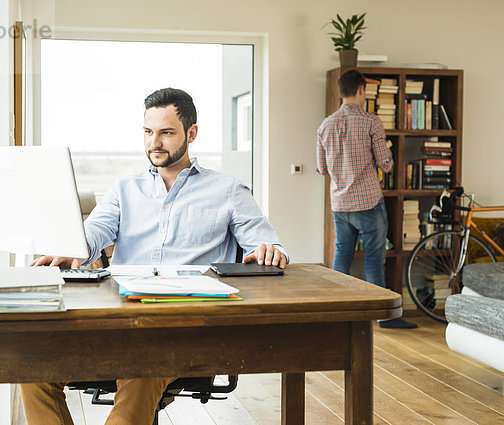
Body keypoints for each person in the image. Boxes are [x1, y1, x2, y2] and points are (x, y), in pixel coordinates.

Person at [21, 87, 288, 425]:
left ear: (191, 133)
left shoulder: (228, 191)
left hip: (185, 329)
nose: (154, 143)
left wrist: (268, 251)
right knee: (32, 369)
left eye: (166, 133)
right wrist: (71, 248)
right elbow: (95, 232)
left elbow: (265, 245)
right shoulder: (124, 188)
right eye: (148, 132)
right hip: (119, 324)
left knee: (141, 371)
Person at [316, 70, 416, 330]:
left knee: (342, 256)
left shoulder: (325, 125)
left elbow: (322, 168)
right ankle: (383, 316)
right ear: (362, 91)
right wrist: (387, 161)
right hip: (369, 202)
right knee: (374, 259)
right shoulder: (372, 122)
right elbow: (385, 162)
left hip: (340, 203)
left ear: (339, 92)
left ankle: (337, 312)